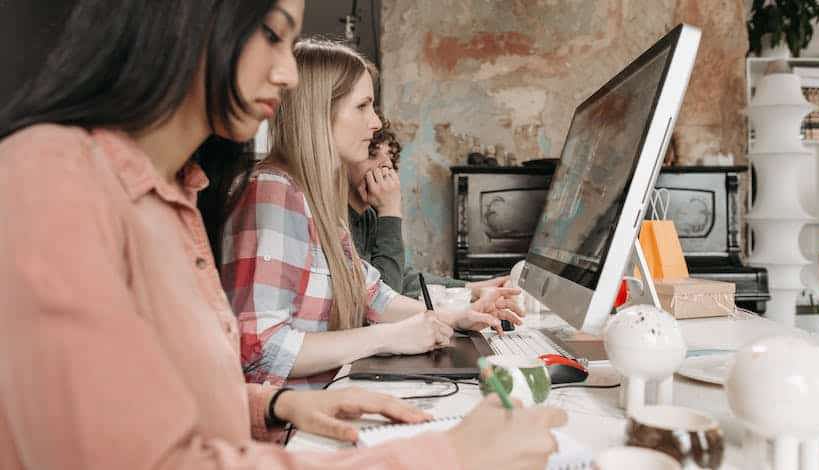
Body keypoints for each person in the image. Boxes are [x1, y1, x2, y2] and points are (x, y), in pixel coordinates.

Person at [0, 1, 566, 469]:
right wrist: (447, 455)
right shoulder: (50, 177)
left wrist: (276, 404)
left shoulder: (177, 195)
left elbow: (162, 399)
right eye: (272, 34)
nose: (289, 72)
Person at [213, 39, 523, 387]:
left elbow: (372, 294)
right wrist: (388, 338)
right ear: (318, 112)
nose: (375, 122)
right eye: (362, 106)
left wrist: (456, 318)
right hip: (292, 429)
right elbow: (259, 349)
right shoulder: (272, 192)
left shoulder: (315, 200)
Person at [346, 116, 511, 298]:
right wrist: (390, 211)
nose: (387, 165)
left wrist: (472, 288)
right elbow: (383, 301)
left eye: (390, 158)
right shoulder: (341, 220)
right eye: (372, 154)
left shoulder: (368, 216)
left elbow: (403, 278)